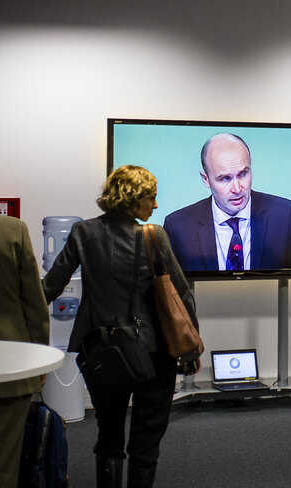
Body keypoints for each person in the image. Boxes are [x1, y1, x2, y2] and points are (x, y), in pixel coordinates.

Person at [42, 165, 199, 487]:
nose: (155, 206)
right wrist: (191, 347)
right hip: (154, 352)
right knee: (147, 440)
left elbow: (51, 285)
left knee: (108, 434)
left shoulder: (82, 233)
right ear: (133, 198)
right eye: (151, 198)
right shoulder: (154, 235)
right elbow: (181, 295)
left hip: (101, 351)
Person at [0, 152, 50, 488]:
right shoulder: (11, 229)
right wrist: (40, 359)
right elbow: (34, 301)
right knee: (3, 467)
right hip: (9, 367)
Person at [163, 133, 291, 271]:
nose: (237, 188)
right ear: (206, 179)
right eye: (225, 178)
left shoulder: (286, 217)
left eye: (243, 174)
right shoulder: (178, 227)